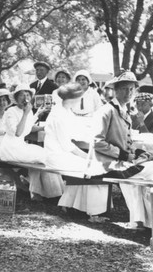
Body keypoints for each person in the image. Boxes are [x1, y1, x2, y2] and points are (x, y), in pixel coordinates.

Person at [89, 70, 153, 229]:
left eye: (131, 89)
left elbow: (126, 141)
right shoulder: (106, 111)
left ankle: (142, 221)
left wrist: (139, 153)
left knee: (147, 170)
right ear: (115, 90)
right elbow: (97, 142)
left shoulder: (124, 112)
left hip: (119, 162)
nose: (128, 93)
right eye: (124, 89)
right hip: (107, 164)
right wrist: (124, 155)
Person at [44, 83, 109, 221]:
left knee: (90, 167)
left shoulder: (66, 111)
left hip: (62, 153)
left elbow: (76, 132)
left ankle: (69, 204)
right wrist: (88, 157)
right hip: (56, 156)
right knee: (95, 168)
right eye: (80, 99)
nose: (80, 102)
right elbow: (67, 145)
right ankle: (94, 212)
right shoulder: (58, 115)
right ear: (73, 99)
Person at [0, 84, 63, 200]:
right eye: (22, 95)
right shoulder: (11, 111)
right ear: (16, 98)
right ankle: (48, 193)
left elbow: (29, 128)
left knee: (46, 155)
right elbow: (18, 133)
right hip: (11, 148)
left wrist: (42, 124)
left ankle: (47, 192)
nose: (25, 97)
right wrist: (25, 113)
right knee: (43, 156)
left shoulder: (27, 111)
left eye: (27, 94)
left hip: (21, 145)